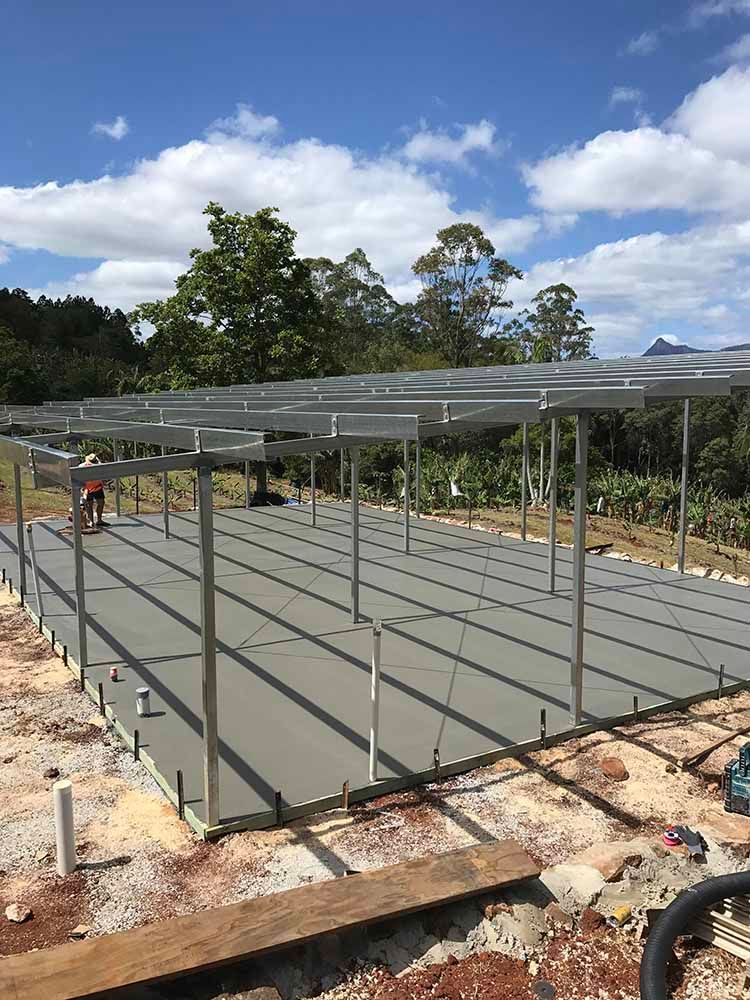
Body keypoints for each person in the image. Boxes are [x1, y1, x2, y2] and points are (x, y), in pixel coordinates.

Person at [80, 453, 108, 529]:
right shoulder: (82, 467)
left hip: (98, 487)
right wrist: (83, 488)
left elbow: (103, 474)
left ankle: (99, 520)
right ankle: (91, 521)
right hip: (88, 488)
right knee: (89, 505)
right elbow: (79, 477)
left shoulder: (99, 465)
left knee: (101, 503)